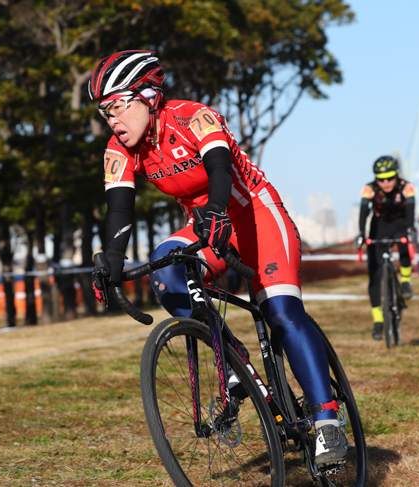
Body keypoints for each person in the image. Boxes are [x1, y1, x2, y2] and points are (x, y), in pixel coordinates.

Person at [89, 50, 347, 467]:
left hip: (255, 214)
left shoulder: (194, 117)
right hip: (206, 222)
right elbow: (119, 210)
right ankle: (234, 359)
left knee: (280, 310)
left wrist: (217, 211)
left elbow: (221, 170)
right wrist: (111, 261)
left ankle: (328, 421)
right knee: (166, 265)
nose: (113, 119)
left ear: (149, 96)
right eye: (105, 112)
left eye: (119, 105)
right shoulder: (119, 150)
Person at [355, 155, 415, 340]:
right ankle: (378, 321)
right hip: (379, 225)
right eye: (381, 179)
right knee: (374, 274)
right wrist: (362, 234)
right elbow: (364, 212)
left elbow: (411, 211)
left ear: (397, 175)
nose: (386, 182)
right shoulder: (369, 189)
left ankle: (405, 281)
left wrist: (409, 230)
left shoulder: (407, 187)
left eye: (390, 178)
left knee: (403, 240)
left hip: (400, 222)